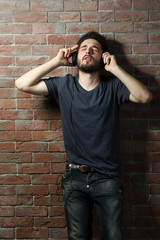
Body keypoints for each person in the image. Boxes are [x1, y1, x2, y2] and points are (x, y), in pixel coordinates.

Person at [15, 32, 152, 240]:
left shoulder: (113, 87)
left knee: (113, 236)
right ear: (75, 56)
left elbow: (144, 96)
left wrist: (115, 69)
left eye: (94, 48)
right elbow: (22, 84)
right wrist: (56, 61)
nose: (88, 51)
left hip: (108, 178)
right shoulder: (64, 85)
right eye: (84, 48)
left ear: (103, 57)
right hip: (74, 177)